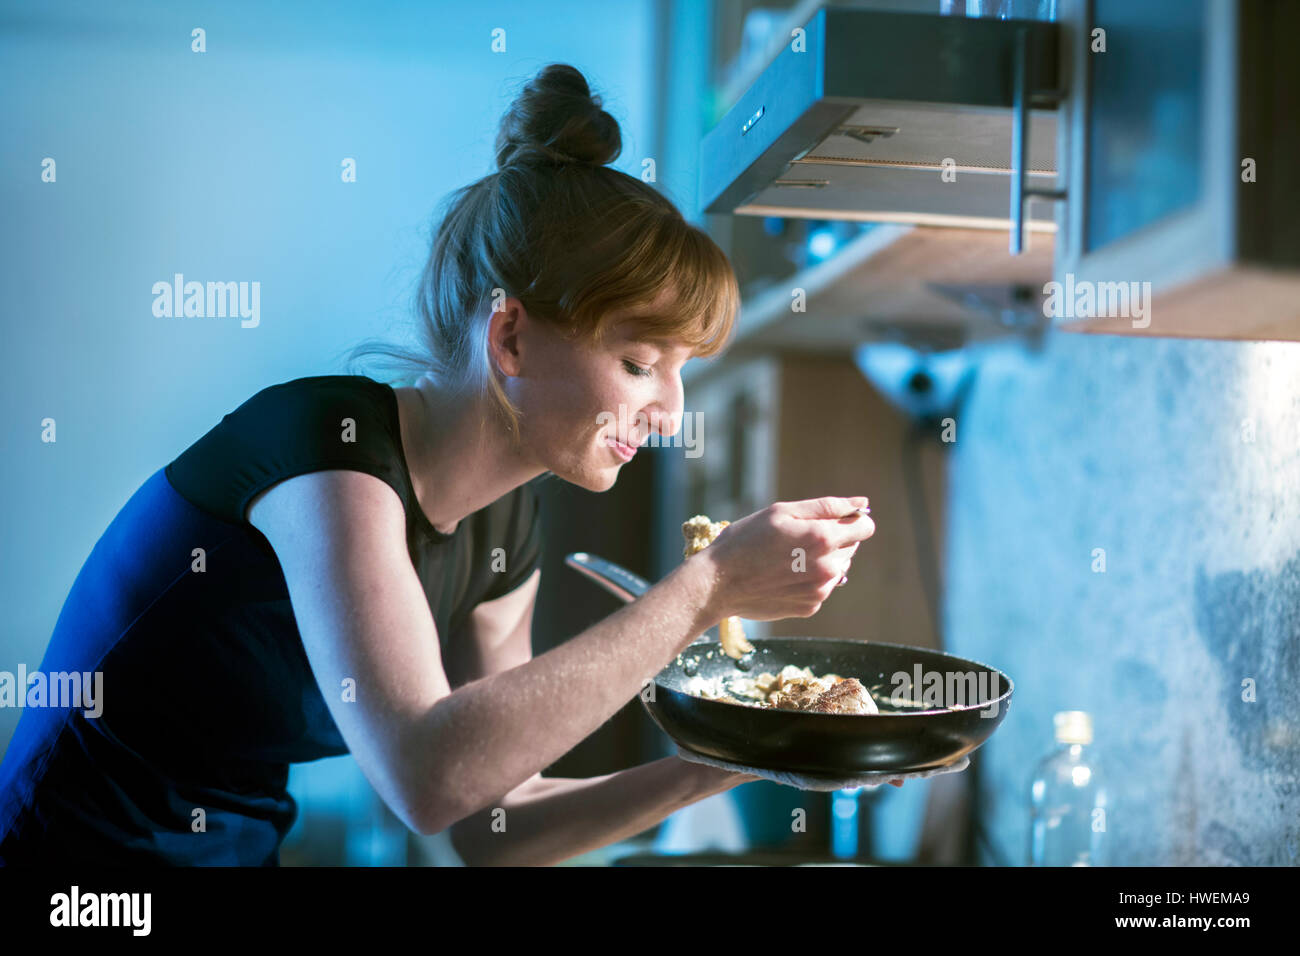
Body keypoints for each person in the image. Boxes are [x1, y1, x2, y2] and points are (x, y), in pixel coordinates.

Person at [0, 62, 883, 867]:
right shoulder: (329, 454)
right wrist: (707, 587)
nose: (671, 411)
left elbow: (491, 825)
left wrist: (738, 756)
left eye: (683, 370)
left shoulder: (506, 524)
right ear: (509, 336)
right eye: (640, 364)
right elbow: (427, 775)